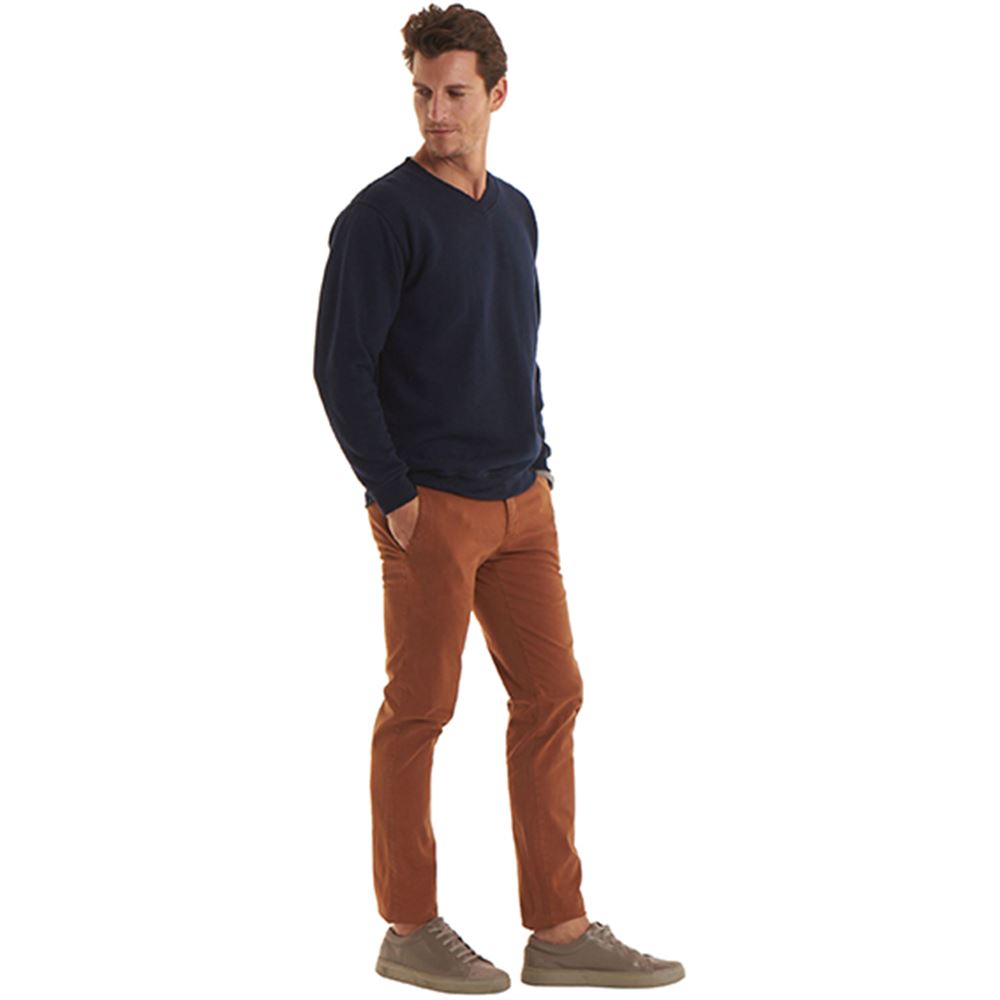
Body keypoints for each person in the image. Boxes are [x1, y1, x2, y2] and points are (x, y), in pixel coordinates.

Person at [313, 3, 685, 992]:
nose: (437, 112)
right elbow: (340, 368)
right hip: (430, 507)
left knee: (553, 694)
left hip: (524, 501)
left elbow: (515, 346)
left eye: (455, 93)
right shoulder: (379, 218)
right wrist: (395, 496)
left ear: (498, 94)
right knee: (420, 711)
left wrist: (541, 462)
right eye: (422, 93)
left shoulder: (515, 211)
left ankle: (558, 931)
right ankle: (408, 926)